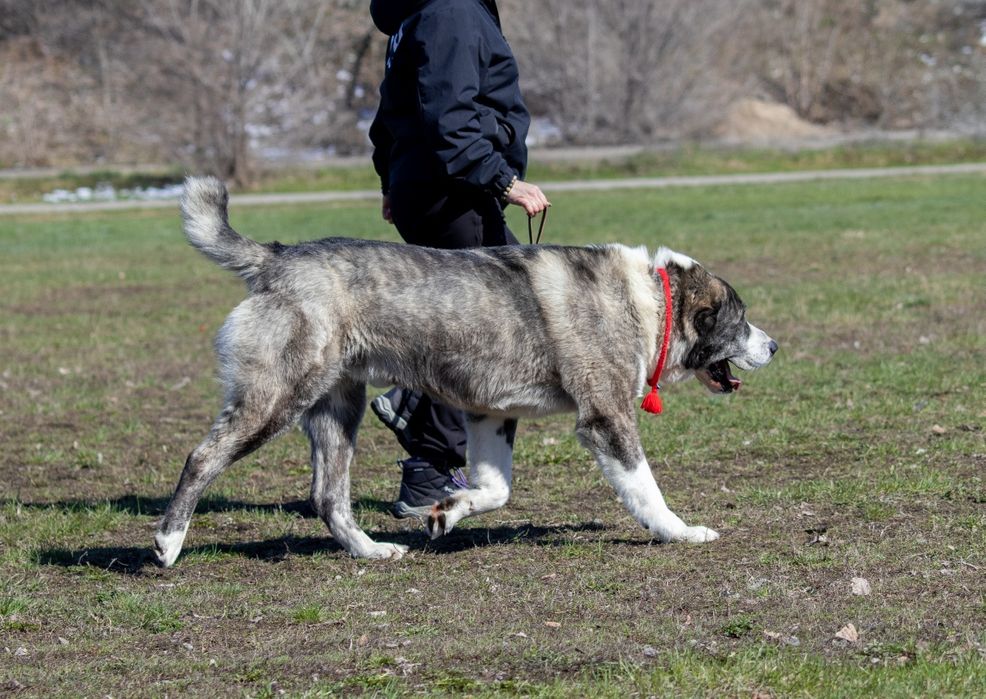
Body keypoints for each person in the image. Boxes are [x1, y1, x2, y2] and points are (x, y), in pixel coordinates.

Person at [367, 0, 549, 517]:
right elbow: (451, 113)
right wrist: (502, 179)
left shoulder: (420, 14)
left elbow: (391, 113)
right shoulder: (453, 11)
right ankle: (427, 462)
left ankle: (415, 410)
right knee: (485, 325)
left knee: (480, 318)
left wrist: (392, 180)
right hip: (455, 190)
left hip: (426, 186)